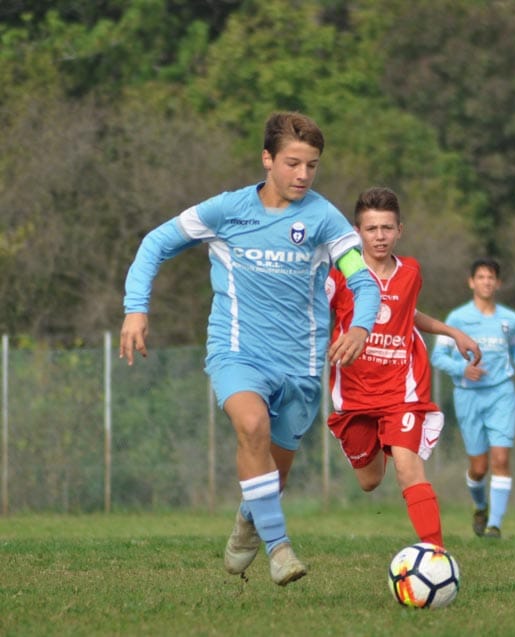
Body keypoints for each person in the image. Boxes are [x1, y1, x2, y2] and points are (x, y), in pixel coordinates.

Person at [119, 111, 380, 587]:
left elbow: (362, 280)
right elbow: (155, 243)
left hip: (301, 365)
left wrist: (361, 327)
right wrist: (136, 309)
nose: (303, 175)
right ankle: (280, 549)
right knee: (252, 425)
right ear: (267, 159)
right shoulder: (227, 210)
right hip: (237, 352)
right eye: (293, 163)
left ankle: (249, 518)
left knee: (273, 479)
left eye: (312, 165)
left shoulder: (324, 219)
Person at [325, 186, 481, 547]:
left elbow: (409, 314)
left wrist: (452, 332)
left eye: (387, 228)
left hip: (402, 389)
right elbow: (314, 314)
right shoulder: (341, 275)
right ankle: (382, 439)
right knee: (369, 481)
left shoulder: (411, 271)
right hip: (354, 393)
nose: (380, 236)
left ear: (400, 230)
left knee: (409, 468)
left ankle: (437, 556)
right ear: (357, 232)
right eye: (371, 228)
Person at [431, 258, 515, 539]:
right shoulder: (457, 319)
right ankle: (480, 507)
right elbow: (438, 357)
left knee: (501, 459)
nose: (486, 282)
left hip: (501, 394)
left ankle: (494, 526)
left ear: (498, 283)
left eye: (491, 277)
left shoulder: (510, 319)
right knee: (479, 468)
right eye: (481, 277)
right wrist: (462, 369)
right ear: (471, 282)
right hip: (468, 397)